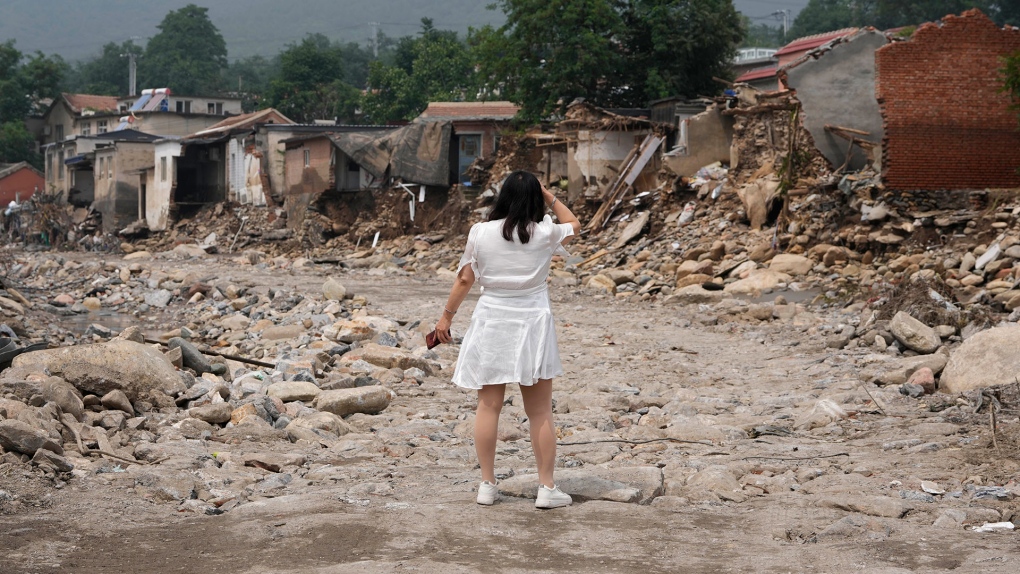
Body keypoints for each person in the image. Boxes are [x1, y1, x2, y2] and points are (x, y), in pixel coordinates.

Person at [435, 171, 581, 509]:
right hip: (532, 322)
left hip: (492, 319)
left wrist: (446, 317)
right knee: (540, 409)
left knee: (488, 406)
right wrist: (549, 196)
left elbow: (464, 280)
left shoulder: (481, 232)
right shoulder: (544, 232)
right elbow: (574, 224)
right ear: (536, 198)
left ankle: (487, 484)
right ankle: (546, 488)